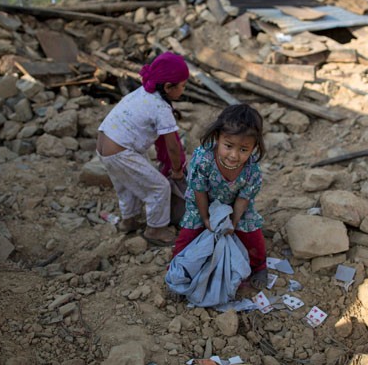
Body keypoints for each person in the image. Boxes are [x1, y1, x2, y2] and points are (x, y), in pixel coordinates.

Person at [96, 52, 189, 245]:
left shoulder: (143, 92)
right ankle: (156, 230)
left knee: (127, 185)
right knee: (159, 187)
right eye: (182, 85)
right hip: (122, 152)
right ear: (168, 87)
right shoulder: (161, 108)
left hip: (106, 145)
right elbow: (173, 145)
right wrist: (178, 171)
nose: (184, 89)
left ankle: (128, 221)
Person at [172, 104, 268, 289]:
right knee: (189, 234)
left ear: (254, 147)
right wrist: (206, 218)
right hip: (202, 201)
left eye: (243, 149)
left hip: (234, 204)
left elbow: (243, 199)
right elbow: (198, 189)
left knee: (252, 233)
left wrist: (233, 221)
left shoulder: (252, 171)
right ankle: (178, 269)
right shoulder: (203, 158)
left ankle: (259, 266)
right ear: (217, 138)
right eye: (228, 146)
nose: (233, 155)